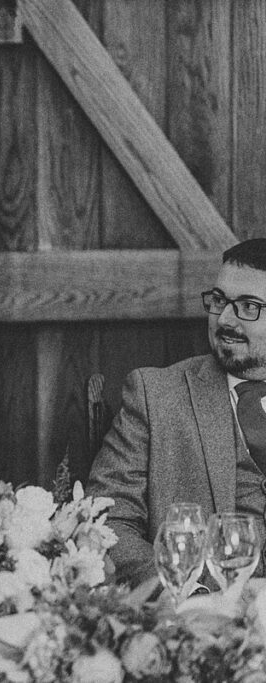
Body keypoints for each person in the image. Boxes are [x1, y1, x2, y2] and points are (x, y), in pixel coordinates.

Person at [88, 238, 266, 587]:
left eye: (248, 306)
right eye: (218, 301)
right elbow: (107, 521)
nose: (225, 320)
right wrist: (188, 594)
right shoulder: (154, 396)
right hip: (199, 619)